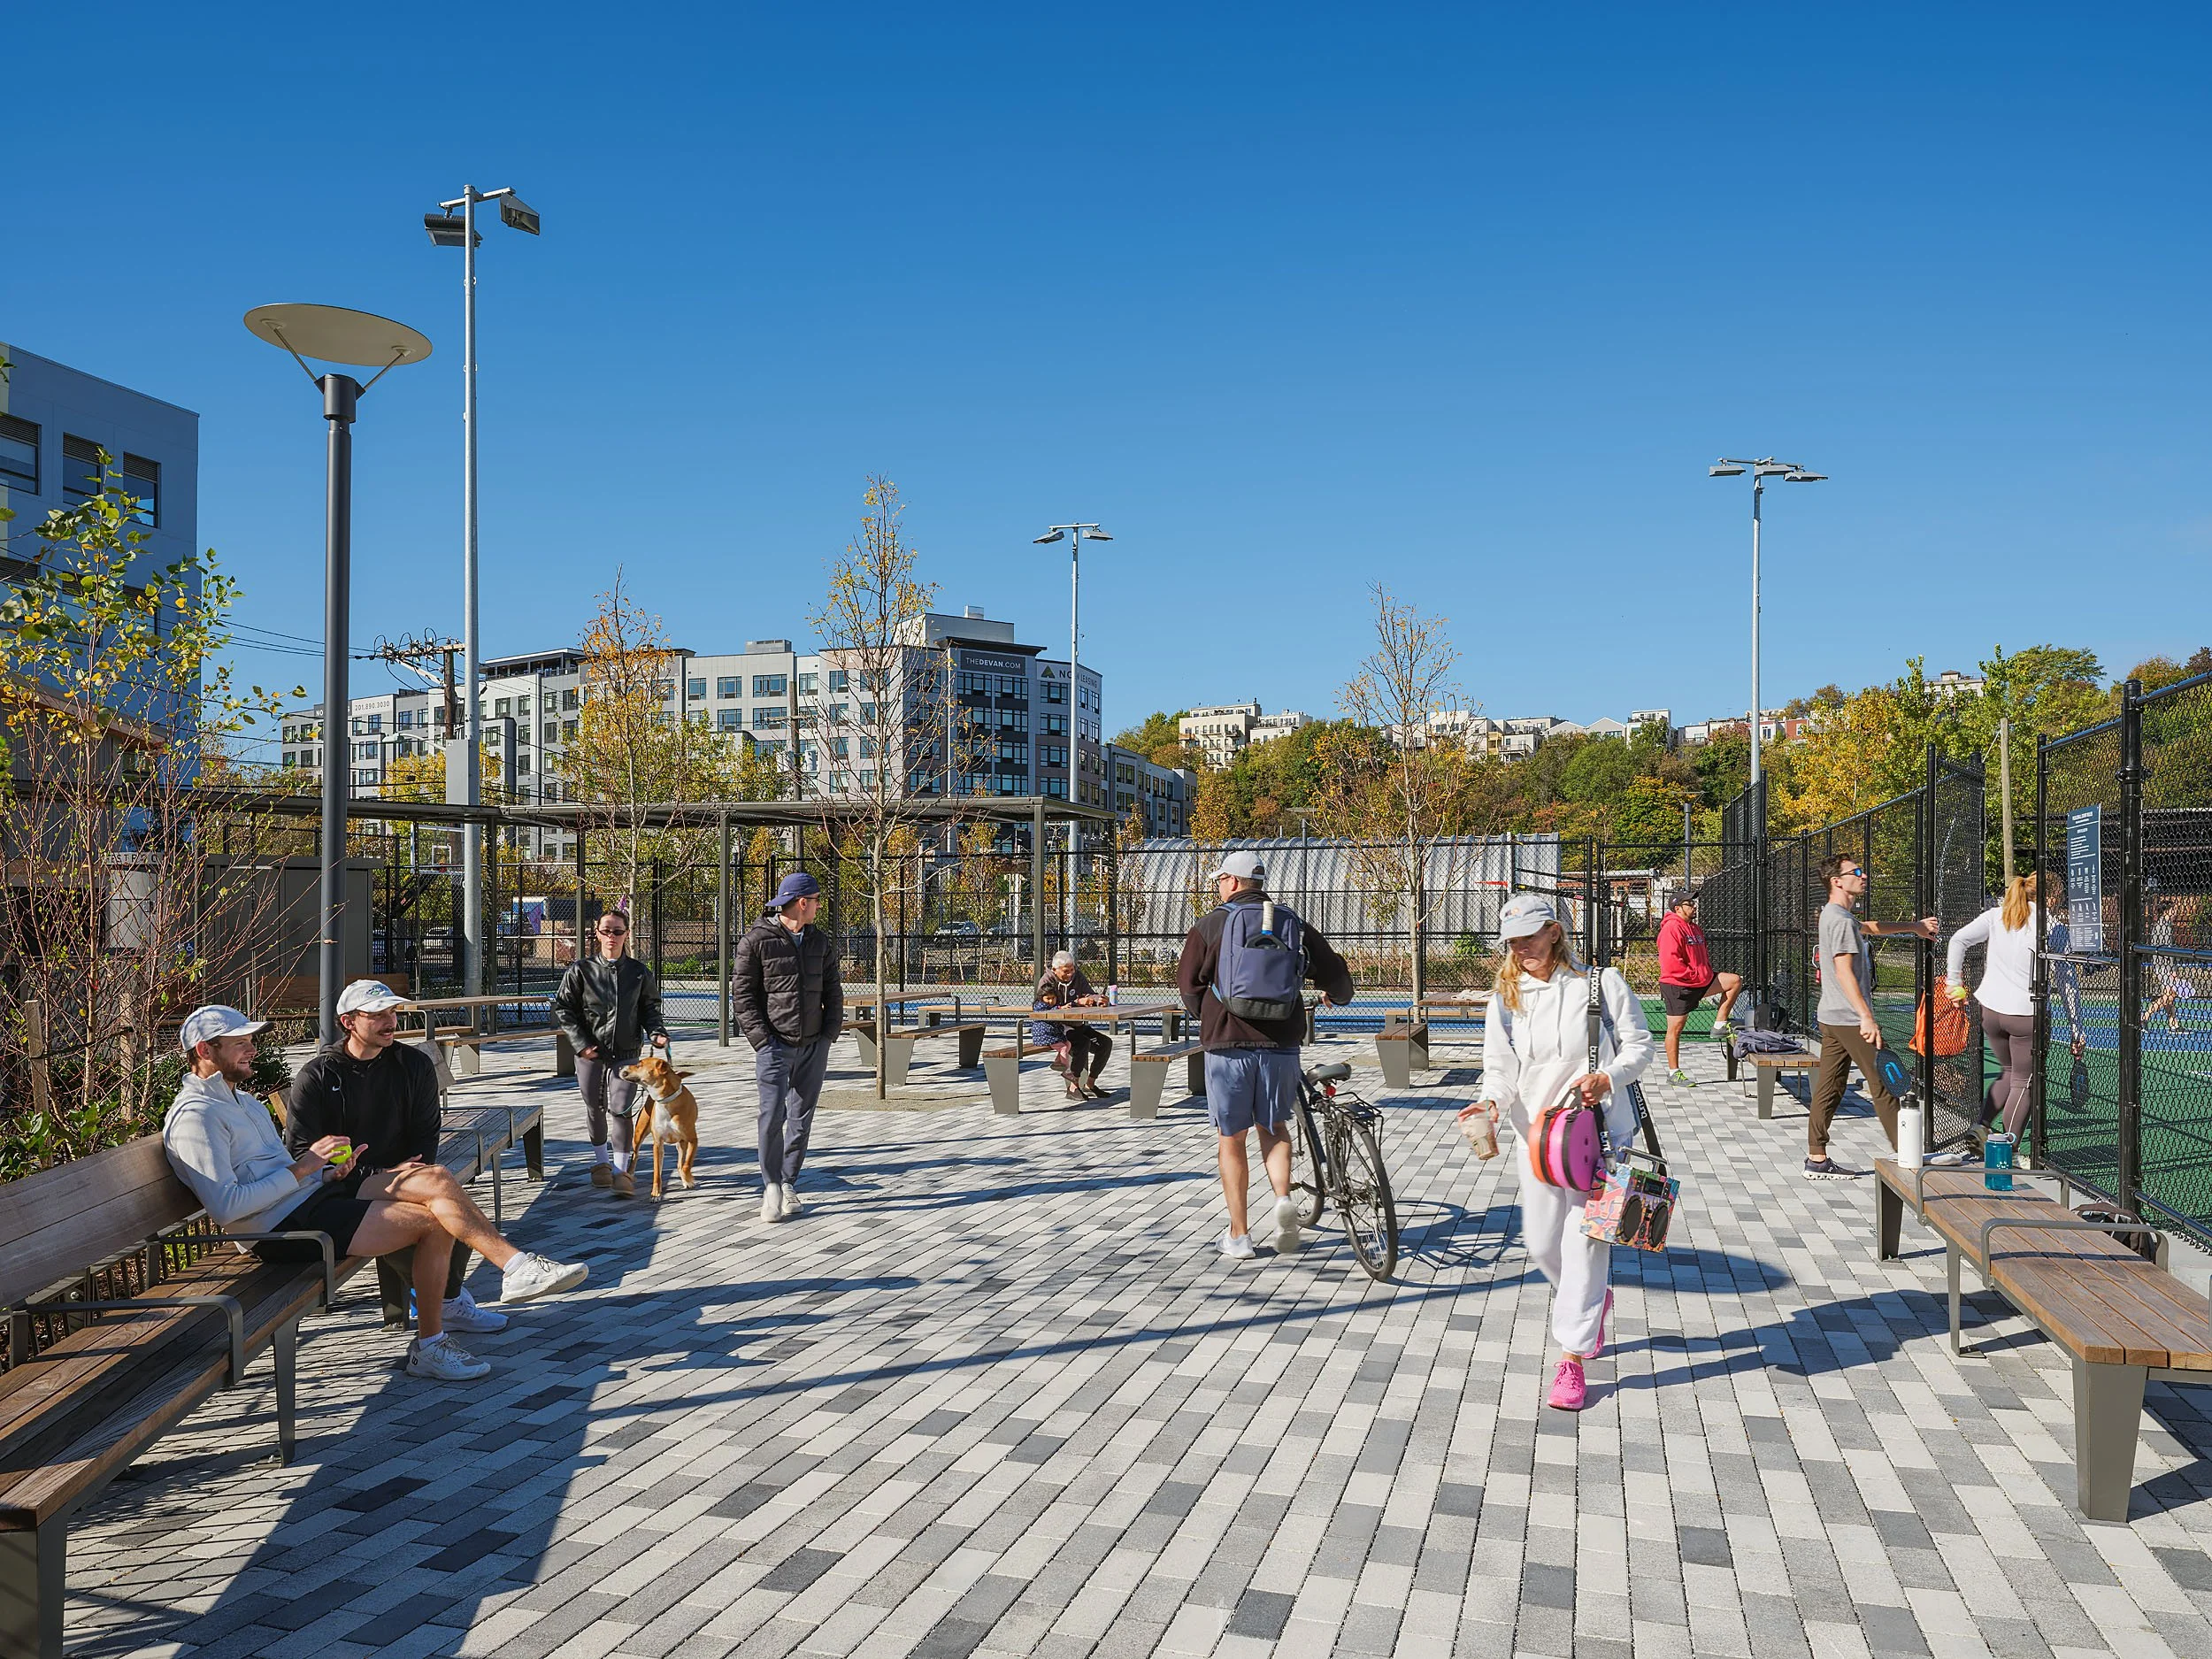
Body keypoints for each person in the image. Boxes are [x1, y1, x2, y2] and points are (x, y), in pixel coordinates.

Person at [163, 1004, 588, 1382]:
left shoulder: (242, 1102)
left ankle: (515, 1269)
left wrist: (326, 1175)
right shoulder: (195, 1118)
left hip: (308, 1199)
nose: (252, 1050)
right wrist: (305, 1169)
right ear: (205, 1051)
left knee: (436, 1178)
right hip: (277, 1228)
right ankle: (436, 1340)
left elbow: (283, 1171)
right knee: (430, 1223)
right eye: (240, 1044)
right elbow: (227, 1207)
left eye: (251, 1041)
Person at [1470, 895, 1654, 1412]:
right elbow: (1500, 1067)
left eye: (1531, 934)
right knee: (1541, 1244)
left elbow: (1640, 1046)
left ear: (1556, 931)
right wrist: (1490, 1101)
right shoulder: (1507, 997)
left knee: (1586, 1243)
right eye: (1513, 939)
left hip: (1603, 1137)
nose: (1521, 946)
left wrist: (1607, 1076)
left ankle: (1572, 1356)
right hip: (1540, 1139)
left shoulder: (1602, 984)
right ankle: (1589, 1302)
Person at [287, 979, 504, 1334]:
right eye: (377, 1015)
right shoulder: (319, 1075)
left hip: (404, 1175)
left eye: (392, 1012)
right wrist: (378, 1172)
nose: (390, 1022)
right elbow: (301, 1150)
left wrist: (406, 1176)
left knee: (441, 1206)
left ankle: (453, 1301)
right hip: (339, 1186)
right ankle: (459, 1297)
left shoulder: (412, 1064)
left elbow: (425, 1135)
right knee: (437, 1209)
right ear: (348, 1022)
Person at [1176, 849, 1355, 1261]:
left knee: (1231, 1137)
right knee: (1273, 1128)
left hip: (1227, 1045)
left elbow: (1188, 985)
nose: (1218, 886)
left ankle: (1239, 1235)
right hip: (1281, 1045)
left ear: (1234, 882)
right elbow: (1334, 971)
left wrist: (1212, 1017)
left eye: (1220, 879)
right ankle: (1280, 1199)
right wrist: (1337, 995)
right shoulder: (1292, 923)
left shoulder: (1211, 924)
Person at [1806, 854, 1939, 1179]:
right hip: (1850, 1019)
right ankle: (1909, 1156)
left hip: (1833, 1017)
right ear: (1837, 880)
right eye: (1857, 872)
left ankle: (1817, 1160)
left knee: (1830, 1087)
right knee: (1886, 1082)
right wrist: (1866, 1016)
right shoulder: (1839, 920)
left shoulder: (1837, 917)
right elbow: (1843, 971)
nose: (1863, 876)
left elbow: (1870, 927)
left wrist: (1914, 927)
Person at [733, 871, 844, 1225]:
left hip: (814, 1045)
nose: (817, 907)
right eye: (814, 901)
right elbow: (743, 998)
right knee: (771, 1116)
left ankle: (788, 1182)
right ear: (801, 903)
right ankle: (770, 1187)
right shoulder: (756, 941)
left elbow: (833, 991)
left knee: (801, 1117)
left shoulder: (819, 942)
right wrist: (763, 1041)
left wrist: (828, 1036)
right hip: (774, 1047)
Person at [1945, 866, 2084, 1146]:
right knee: (2023, 1082)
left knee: (2008, 1072)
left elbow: (1957, 940)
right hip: (2026, 1014)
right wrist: (2076, 1027)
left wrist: (1953, 983)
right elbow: (2067, 982)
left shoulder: (1997, 917)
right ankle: (2007, 1147)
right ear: (2053, 897)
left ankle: (1982, 1126)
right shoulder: (2054, 927)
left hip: (1991, 1013)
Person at [552, 909, 669, 1198]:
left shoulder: (640, 973)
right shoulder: (580, 970)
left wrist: (656, 1032)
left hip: (627, 1052)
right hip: (589, 1052)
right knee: (594, 1105)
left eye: (618, 931)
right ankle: (601, 1164)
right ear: (597, 933)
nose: (611, 937)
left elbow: (650, 1009)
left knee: (620, 1108)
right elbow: (563, 1009)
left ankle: (621, 1171)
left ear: (627, 934)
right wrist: (582, 1043)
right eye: (606, 931)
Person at [1655, 889, 1742, 1084]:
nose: (1694, 906)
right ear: (1677, 908)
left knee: (1734, 981)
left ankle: (1719, 1024)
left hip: (1700, 982)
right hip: (1678, 986)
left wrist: (1704, 974)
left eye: (1693, 903)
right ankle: (1673, 1073)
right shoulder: (1671, 929)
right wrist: (1694, 975)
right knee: (1675, 1031)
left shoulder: (1694, 928)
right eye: (1689, 904)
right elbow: (1671, 963)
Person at [1037, 949, 1113, 1100]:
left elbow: (1088, 993)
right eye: (1066, 971)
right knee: (1082, 1043)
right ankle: (1073, 1087)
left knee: (1105, 1043)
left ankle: (1090, 1085)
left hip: (1077, 1024)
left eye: (1072, 969)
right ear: (1055, 970)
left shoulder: (1077, 976)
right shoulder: (1046, 982)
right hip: (1056, 1028)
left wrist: (1098, 999)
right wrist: (1076, 1002)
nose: (1070, 974)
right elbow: (1045, 1008)